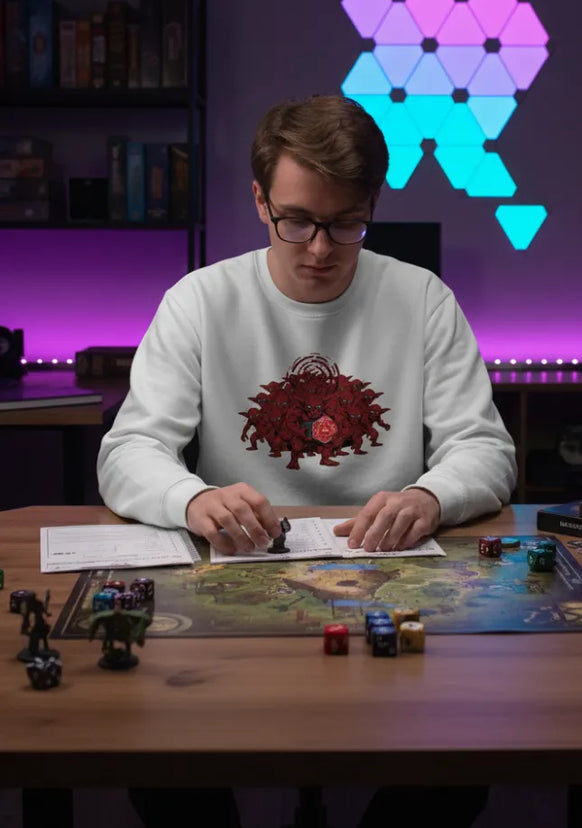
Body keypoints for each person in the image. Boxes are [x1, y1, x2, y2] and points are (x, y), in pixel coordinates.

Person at [98, 94, 517, 828]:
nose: (320, 248)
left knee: (461, 758)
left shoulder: (421, 298)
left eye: (346, 223)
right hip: (228, 583)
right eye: (296, 221)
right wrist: (192, 500)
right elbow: (130, 449)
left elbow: (484, 448)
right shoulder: (199, 301)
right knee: (157, 756)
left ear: (371, 208)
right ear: (259, 201)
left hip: (394, 578)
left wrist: (430, 495)